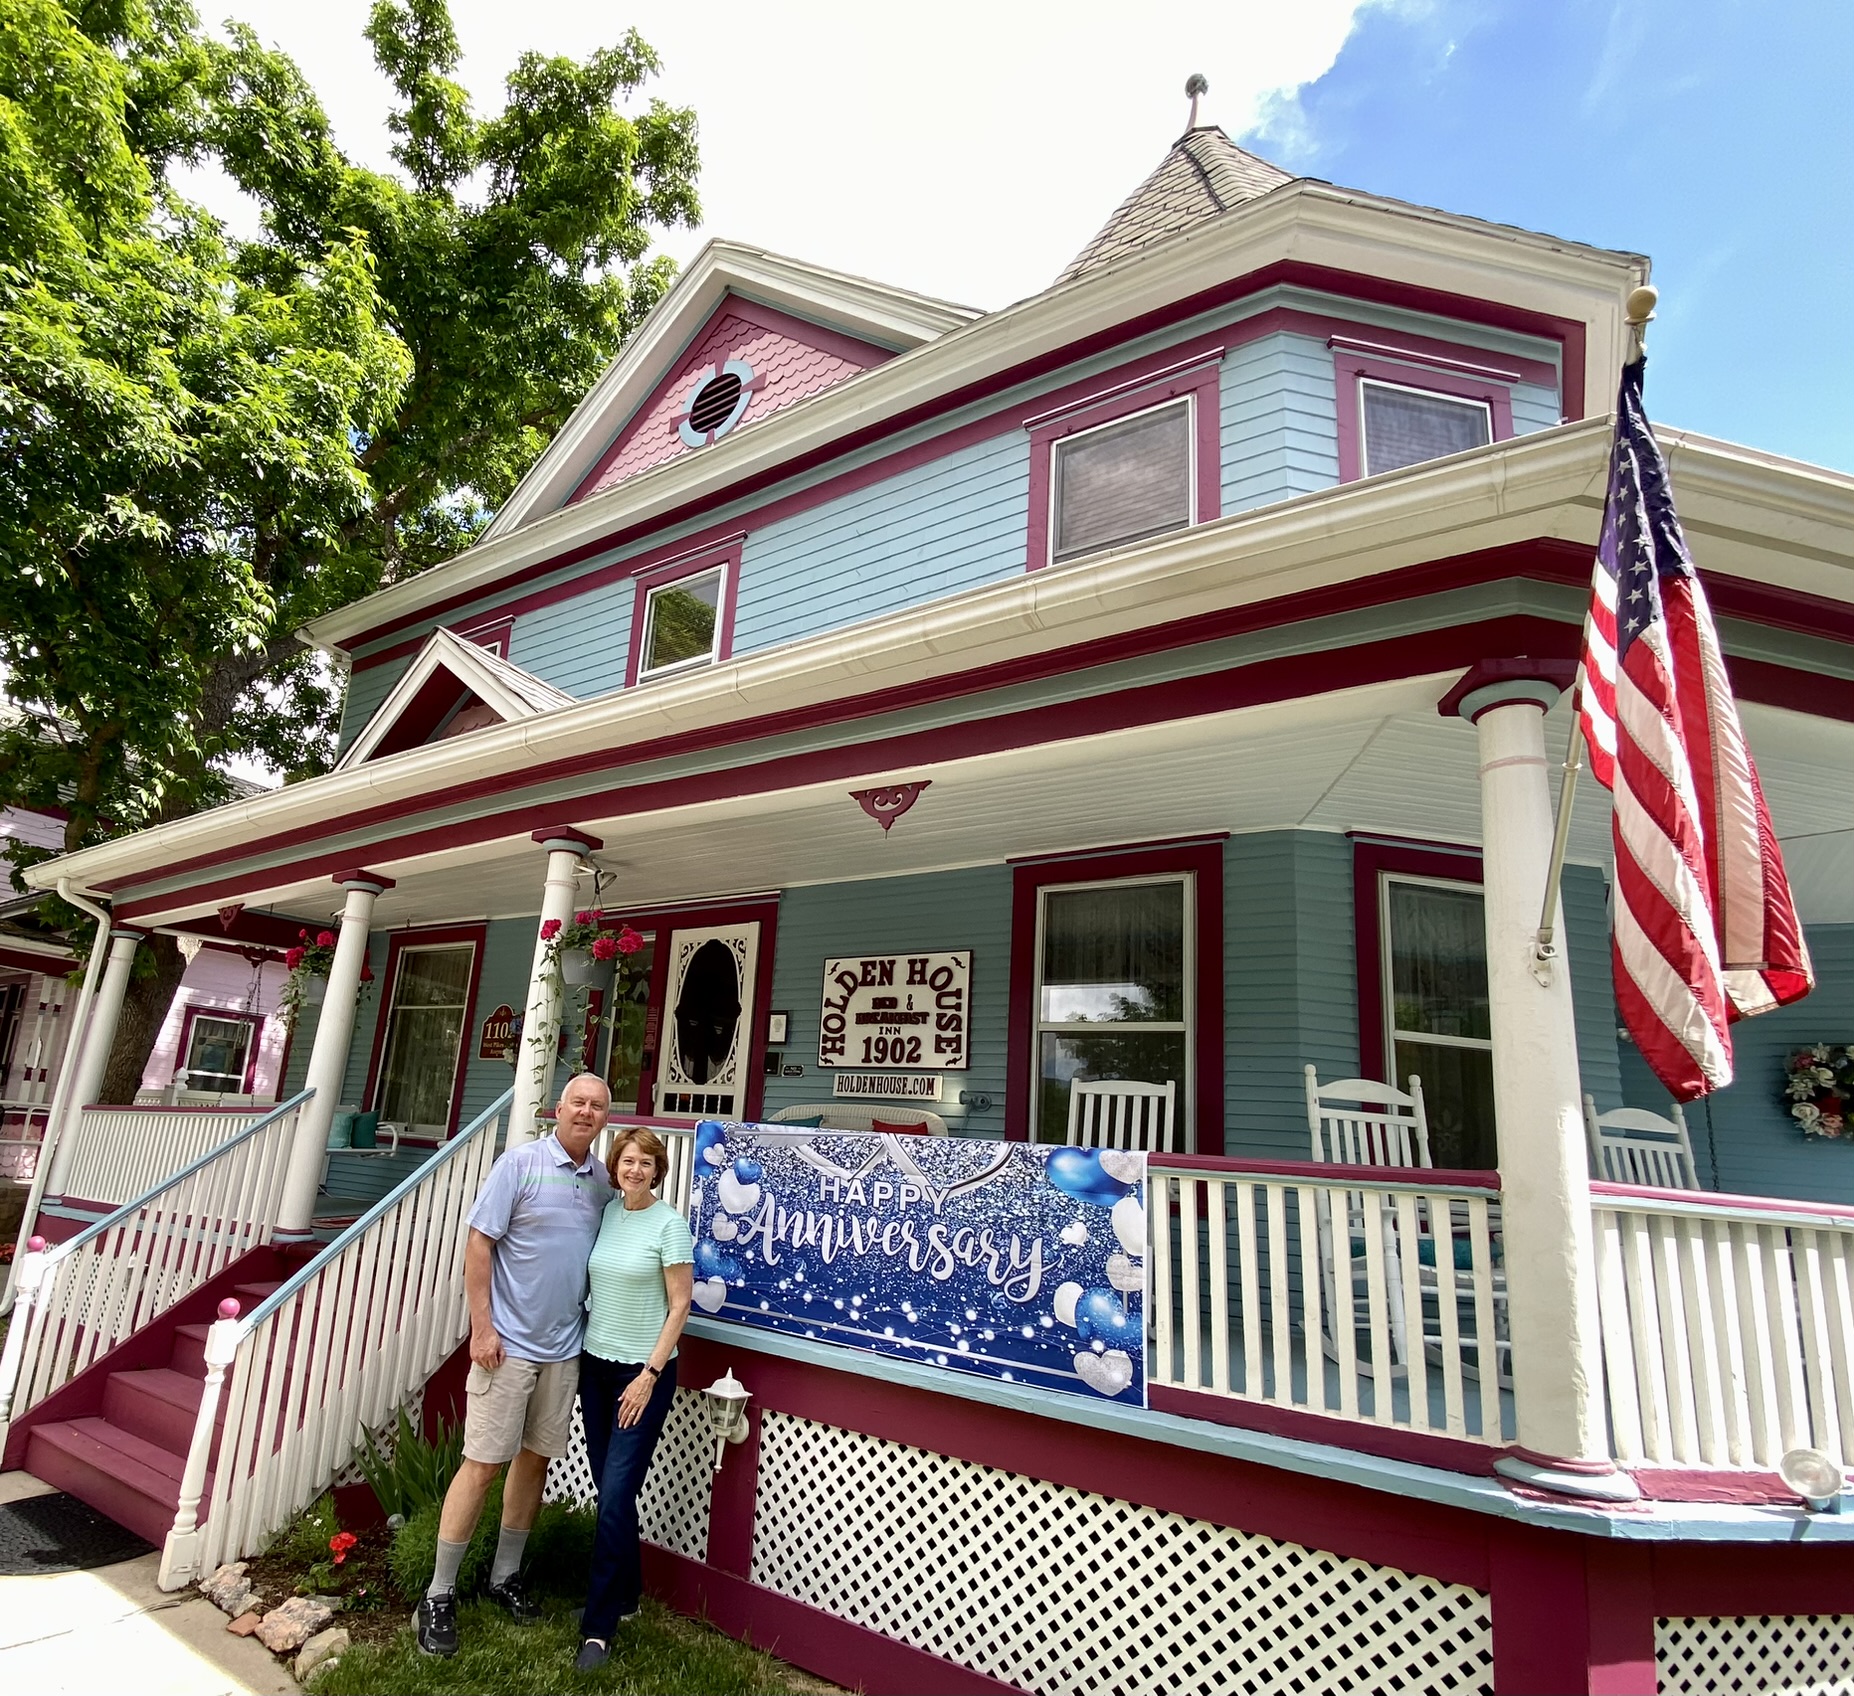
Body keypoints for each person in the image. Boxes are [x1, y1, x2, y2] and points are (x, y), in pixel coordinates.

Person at [415, 1073, 613, 1658]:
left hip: (564, 1349)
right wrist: (482, 1327)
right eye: (577, 1102)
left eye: (597, 1106)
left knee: (533, 1465)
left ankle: (505, 1578)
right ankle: (438, 1594)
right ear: (558, 1109)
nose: (586, 1112)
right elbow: (480, 1242)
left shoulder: (601, 1181)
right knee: (481, 1465)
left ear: (605, 1118)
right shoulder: (519, 1165)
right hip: (507, 1348)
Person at [573, 1126, 694, 1671]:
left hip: (640, 1376)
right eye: (627, 1159)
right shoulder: (607, 1214)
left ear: (658, 1169)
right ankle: (627, 1595)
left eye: (646, 1161)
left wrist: (649, 1373)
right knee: (611, 1491)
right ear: (615, 1166)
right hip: (594, 1367)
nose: (636, 1169)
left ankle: (597, 1629)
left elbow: (680, 1305)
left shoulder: (671, 1226)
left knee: (617, 1492)